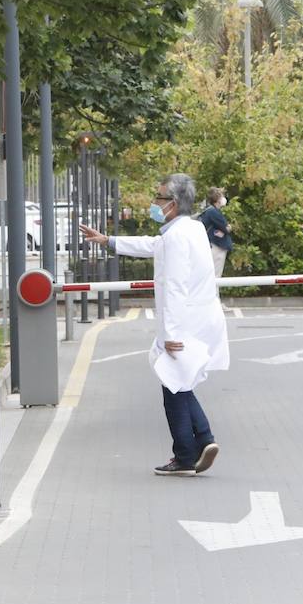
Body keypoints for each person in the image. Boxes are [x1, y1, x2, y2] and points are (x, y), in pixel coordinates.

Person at [80, 173, 228, 477]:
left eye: (158, 197)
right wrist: (108, 240)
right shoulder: (191, 229)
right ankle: (204, 441)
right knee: (180, 383)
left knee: (172, 385)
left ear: (172, 204)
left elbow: (173, 285)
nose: (154, 202)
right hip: (200, 318)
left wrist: (171, 335)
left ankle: (186, 454)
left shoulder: (176, 236)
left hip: (184, 323)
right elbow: (152, 245)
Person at [198, 186, 233, 279]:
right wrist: (228, 227)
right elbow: (226, 228)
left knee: (212, 274)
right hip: (217, 246)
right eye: (221, 196)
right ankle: (214, 294)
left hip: (212, 244)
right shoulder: (213, 212)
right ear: (217, 199)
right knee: (215, 275)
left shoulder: (209, 210)